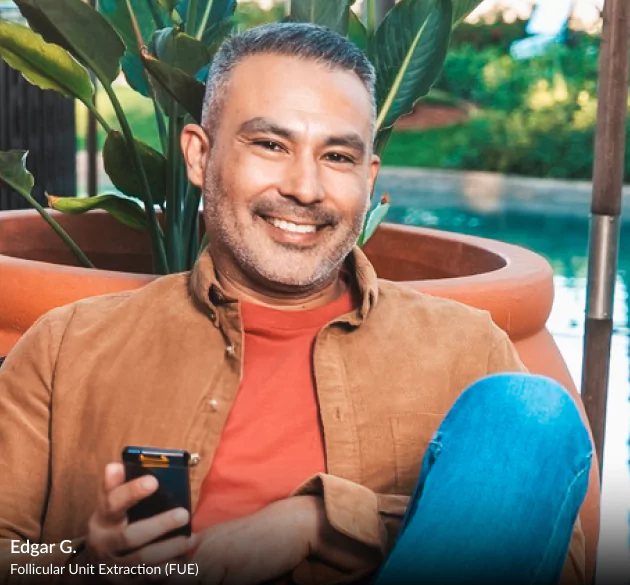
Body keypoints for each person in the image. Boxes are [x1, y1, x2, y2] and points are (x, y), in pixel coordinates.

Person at [0, 22, 596, 585]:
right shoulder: (66, 345)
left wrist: (318, 523)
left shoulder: (466, 349)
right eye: (270, 144)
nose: (305, 189)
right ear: (200, 157)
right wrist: (80, 560)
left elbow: (546, 560)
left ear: (368, 176)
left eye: (338, 157)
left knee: (532, 414)